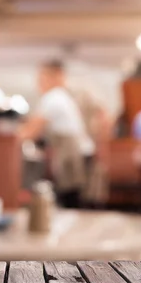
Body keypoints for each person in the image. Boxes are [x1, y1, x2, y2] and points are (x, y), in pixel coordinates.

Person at [19, 60, 110, 208]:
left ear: (55, 77)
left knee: (72, 202)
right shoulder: (61, 97)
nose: (39, 84)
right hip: (80, 154)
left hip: (73, 157)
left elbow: (30, 132)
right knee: (76, 201)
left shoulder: (53, 97)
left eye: (42, 79)